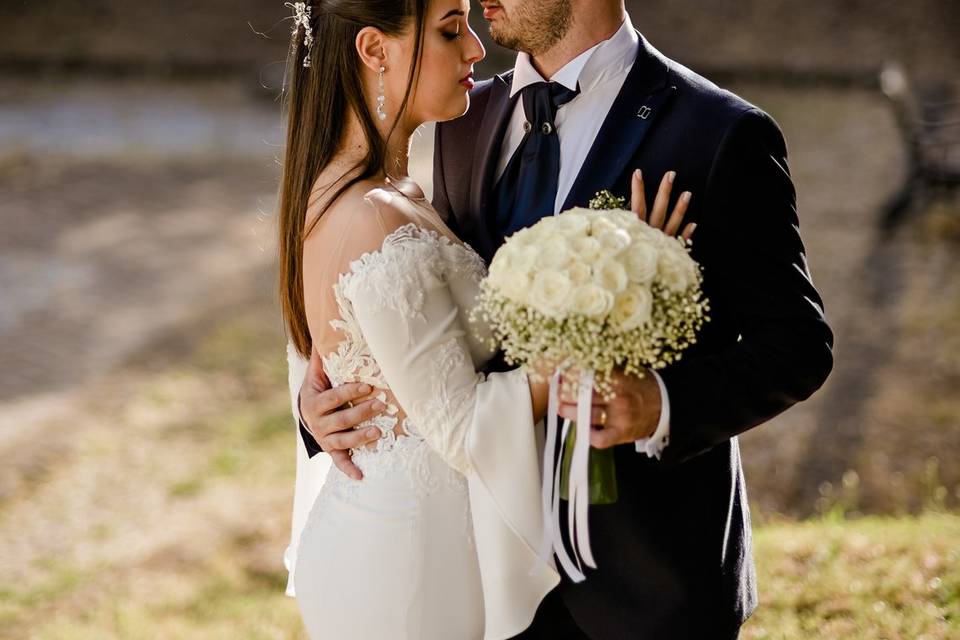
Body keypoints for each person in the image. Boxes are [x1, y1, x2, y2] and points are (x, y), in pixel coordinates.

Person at [296, 0, 835, 638]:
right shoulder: (461, 117)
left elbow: (798, 343)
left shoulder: (715, 132)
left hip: (650, 581)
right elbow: (410, 309)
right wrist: (324, 398)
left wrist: (662, 404)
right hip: (480, 574)